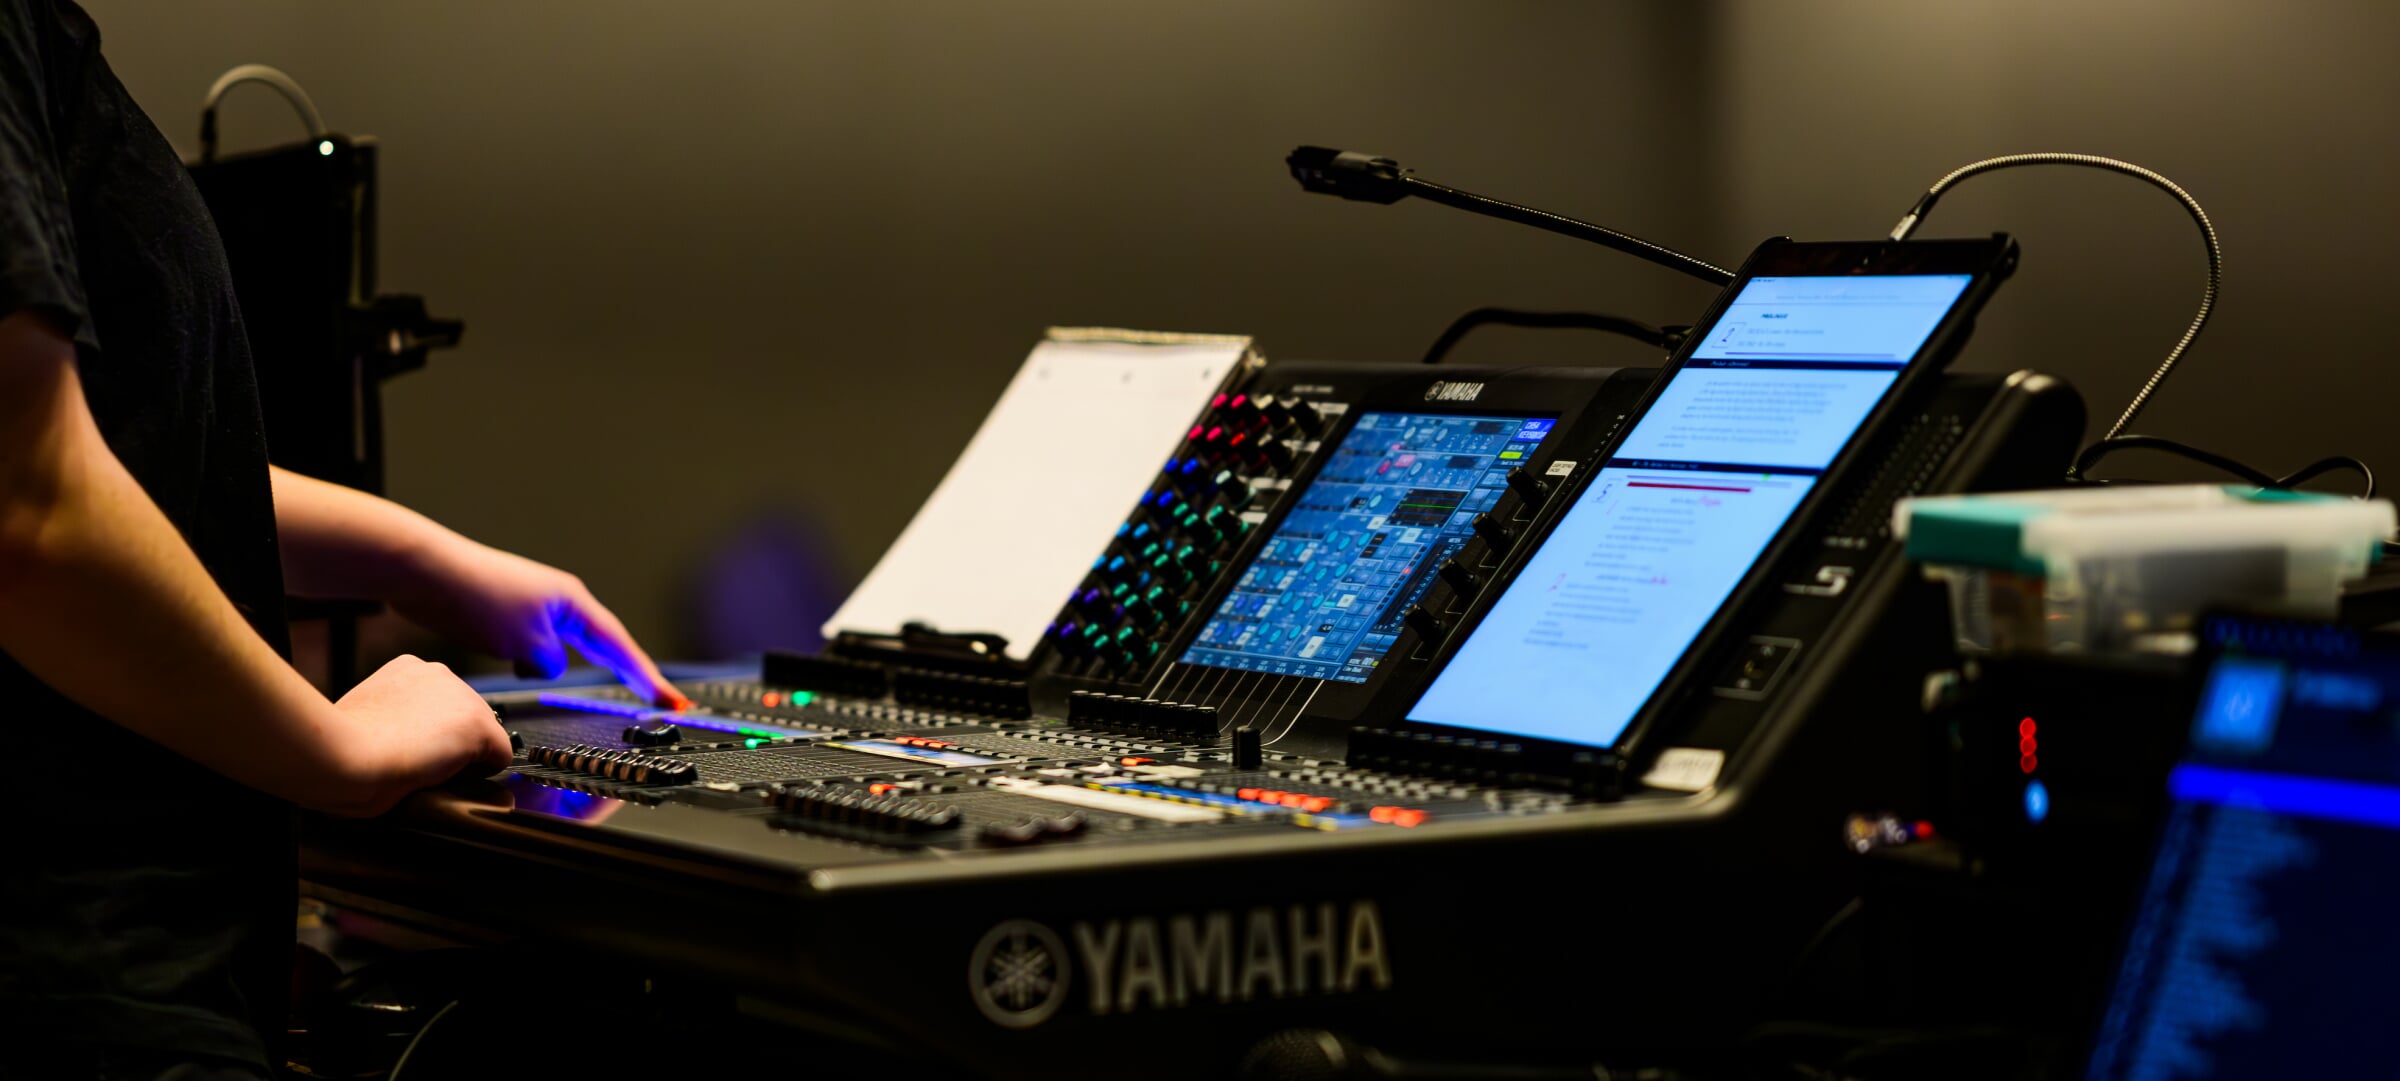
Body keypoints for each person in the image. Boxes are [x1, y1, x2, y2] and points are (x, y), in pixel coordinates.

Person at [0, 2, 682, 1076]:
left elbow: (130, 460)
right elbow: (35, 510)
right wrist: (339, 753)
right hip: (81, 985)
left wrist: (415, 557)